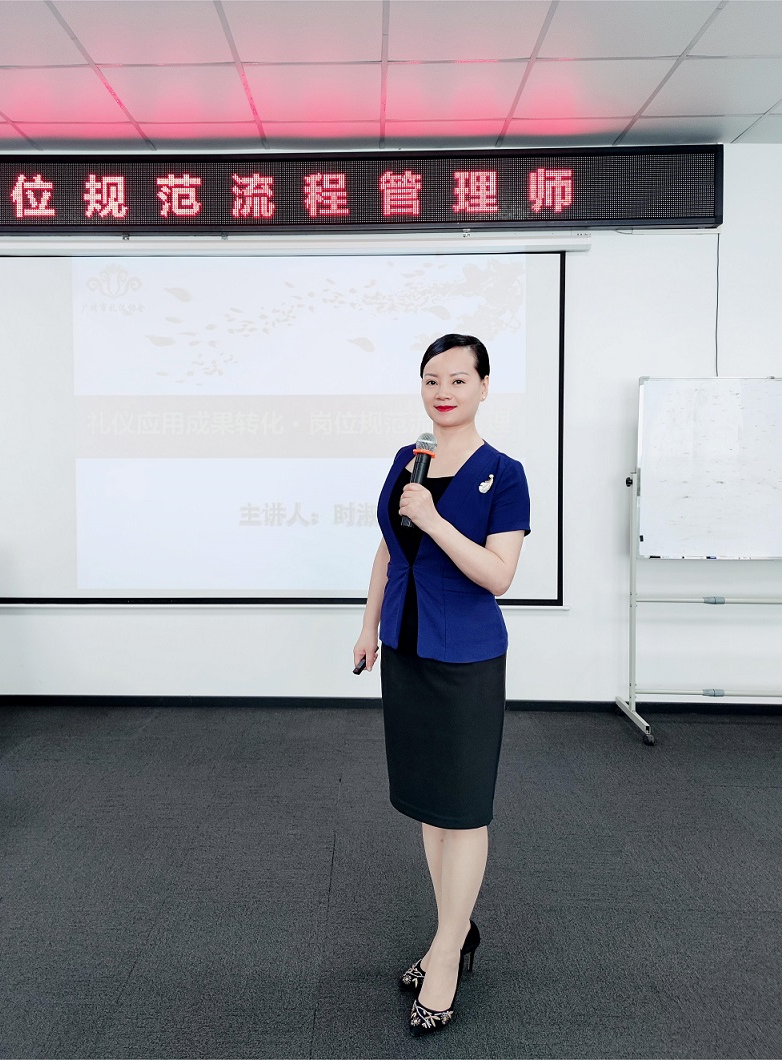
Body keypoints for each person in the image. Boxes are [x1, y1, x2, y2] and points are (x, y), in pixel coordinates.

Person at [353, 333, 530, 1037]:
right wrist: (368, 625)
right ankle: (451, 930)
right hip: (407, 648)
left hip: (465, 659)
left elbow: (498, 575)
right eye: (432, 379)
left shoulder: (504, 473)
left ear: (484, 386)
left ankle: (448, 953)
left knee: (463, 810)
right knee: (430, 807)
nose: (443, 391)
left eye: (458, 378)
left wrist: (432, 517)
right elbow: (388, 547)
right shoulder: (410, 457)